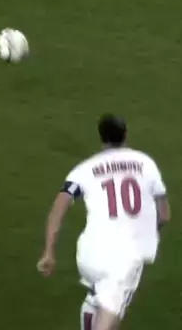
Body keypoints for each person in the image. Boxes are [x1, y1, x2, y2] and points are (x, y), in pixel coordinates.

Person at [37, 114, 171, 330]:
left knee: (100, 298)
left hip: (90, 253)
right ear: (126, 134)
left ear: (101, 138)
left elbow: (57, 209)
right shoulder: (145, 163)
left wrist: (49, 252)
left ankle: (93, 303)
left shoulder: (84, 169)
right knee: (110, 316)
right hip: (124, 258)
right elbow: (164, 215)